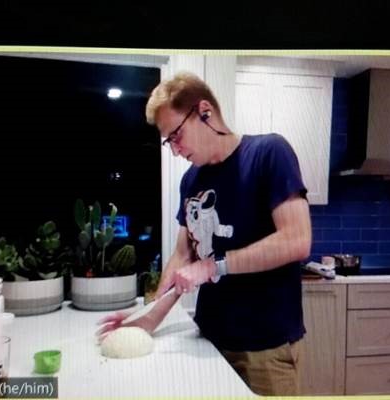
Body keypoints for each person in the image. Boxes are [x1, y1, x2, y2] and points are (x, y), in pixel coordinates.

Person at [97, 71, 312, 396]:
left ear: (205, 112)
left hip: (265, 348)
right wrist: (147, 318)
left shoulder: (268, 153)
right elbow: (182, 255)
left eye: (177, 136)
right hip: (208, 339)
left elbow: (297, 240)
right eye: (168, 141)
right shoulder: (191, 182)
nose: (175, 150)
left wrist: (214, 266)